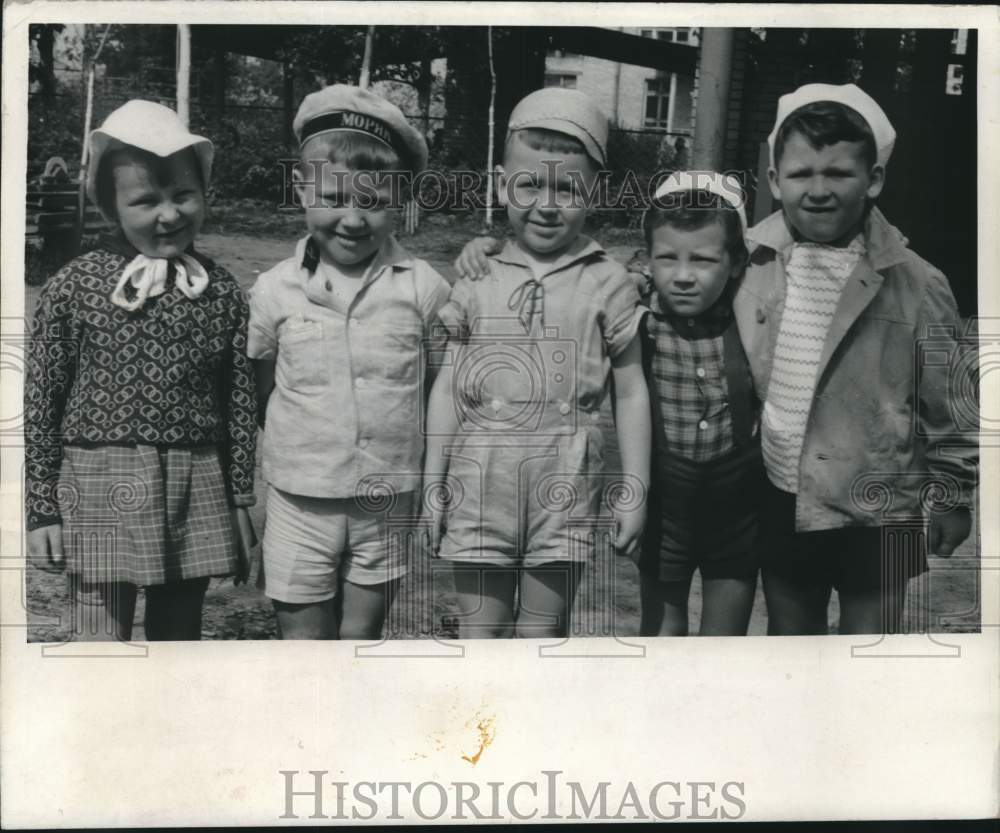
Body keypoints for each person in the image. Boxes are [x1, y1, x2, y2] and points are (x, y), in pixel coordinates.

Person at [734, 83, 978, 634]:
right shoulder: (750, 263)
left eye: (839, 173)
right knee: (792, 642)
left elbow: (953, 405)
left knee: (871, 649)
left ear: (874, 179)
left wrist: (953, 495)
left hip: (885, 507)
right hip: (784, 492)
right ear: (774, 180)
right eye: (801, 174)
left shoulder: (919, 283)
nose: (818, 190)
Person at [24, 100, 257, 641]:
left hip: (195, 481)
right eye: (146, 201)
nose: (169, 215)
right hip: (97, 482)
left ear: (205, 193)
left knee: (178, 639)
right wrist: (41, 510)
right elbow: (40, 403)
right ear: (110, 208)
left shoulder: (221, 291)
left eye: (183, 195)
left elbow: (239, 403)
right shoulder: (74, 286)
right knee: (99, 642)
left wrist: (240, 500)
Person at [426, 88, 651, 639]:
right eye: (529, 185)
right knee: (481, 633)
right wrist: (433, 481)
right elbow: (449, 386)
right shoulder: (478, 275)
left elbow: (631, 392)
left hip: (565, 485)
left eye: (567, 188)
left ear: (595, 192)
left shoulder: (609, 282)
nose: (547, 205)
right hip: (480, 482)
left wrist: (635, 489)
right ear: (502, 185)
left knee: (540, 636)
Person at [248, 85, 451, 640]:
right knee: (303, 644)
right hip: (299, 499)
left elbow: (438, 387)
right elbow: (264, 389)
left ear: (400, 198)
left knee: (360, 640)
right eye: (335, 196)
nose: (353, 219)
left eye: (374, 201)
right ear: (301, 189)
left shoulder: (425, 289)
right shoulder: (275, 290)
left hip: (385, 501)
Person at [635, 172, 764, 636]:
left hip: (736, 508)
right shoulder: (635, 318)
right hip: (665, 508)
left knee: (724, 644)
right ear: (647, 259)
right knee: (661, 635)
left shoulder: (753, 314)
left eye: (704, 260)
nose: (684, 276)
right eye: (667, 258)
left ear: (736, 262)